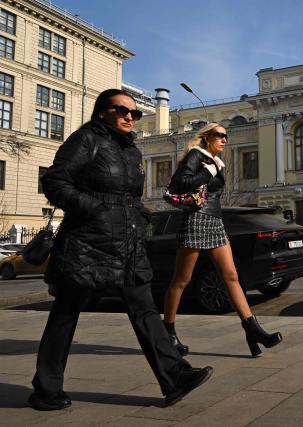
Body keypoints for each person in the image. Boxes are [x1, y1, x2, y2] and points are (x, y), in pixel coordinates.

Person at [29, 89, 213, 411]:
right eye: (122, 111)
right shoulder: (85, 139)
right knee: (66, 313)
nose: (130, 117)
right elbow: (56, 182)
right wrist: (95, 209)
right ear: (102, 112)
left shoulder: (130, 151)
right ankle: (46, 389)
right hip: (88, 242)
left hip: (127, 244)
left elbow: (128, 196)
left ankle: (175, 377)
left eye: (135, 113)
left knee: (145, 309)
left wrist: (141, 215)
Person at [163, 122, 282, 358]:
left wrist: (212, 170)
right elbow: (179, 183)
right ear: (207, 138)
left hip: (215, 222)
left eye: (226, 136)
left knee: (231, 276)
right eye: (219, 135)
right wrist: (206, 172)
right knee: (181, 280)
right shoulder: (198, 155)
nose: (224, 139)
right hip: (196, 220)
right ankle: (168, 333)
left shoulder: (216, 161)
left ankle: (252, 330)